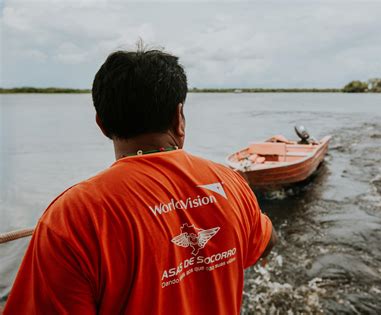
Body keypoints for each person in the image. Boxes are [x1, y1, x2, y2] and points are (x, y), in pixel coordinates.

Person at [4, 47, 276, 314]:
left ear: (101, 124)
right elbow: (266, 242)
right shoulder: (230, 182)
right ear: (178, 117)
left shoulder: (73, 216)